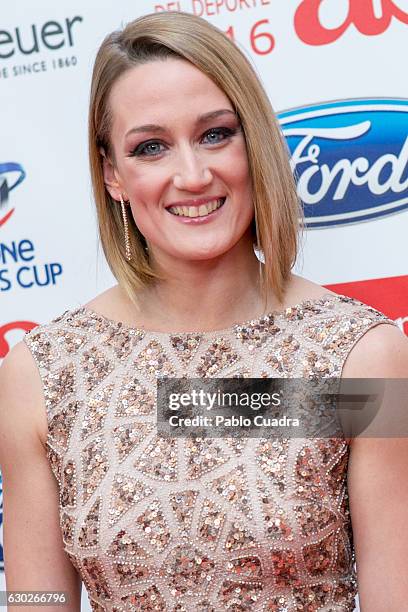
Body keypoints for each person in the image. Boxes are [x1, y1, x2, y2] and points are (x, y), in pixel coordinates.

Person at [0, 10, 407, 612]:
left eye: (216, 133)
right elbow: (35, 600)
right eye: (151, 147)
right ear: (113, 173)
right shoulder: (43, 374)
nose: (192, 175)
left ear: (255, 142)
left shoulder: (364, 360)